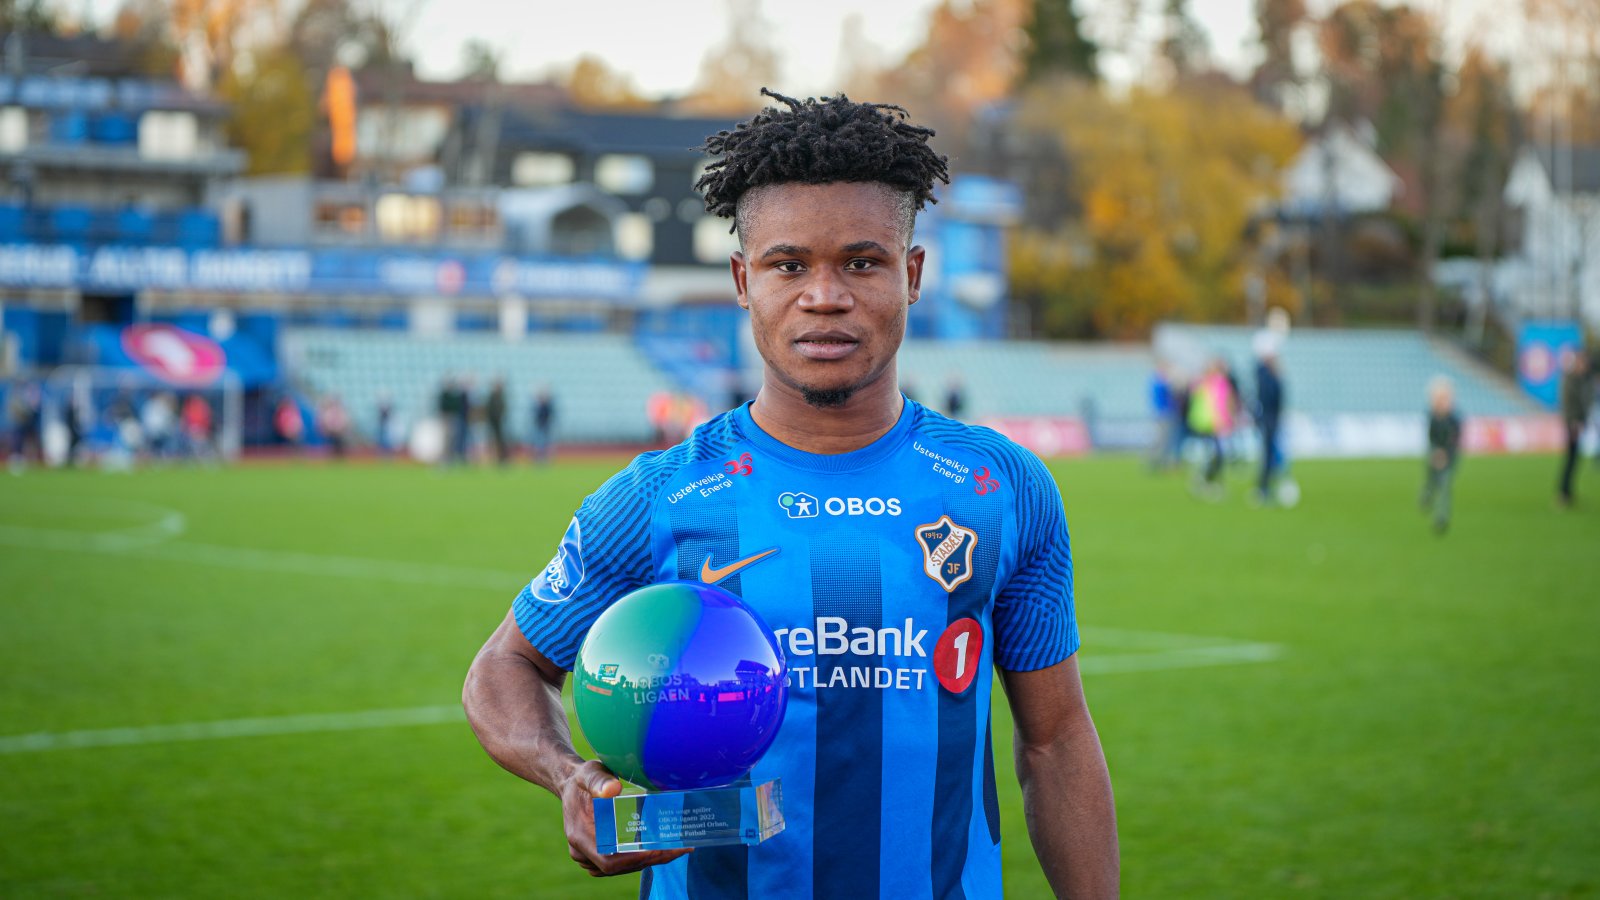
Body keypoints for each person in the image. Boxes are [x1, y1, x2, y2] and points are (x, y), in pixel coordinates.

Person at [462, 90, 1118, 900]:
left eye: (862, 262)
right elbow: (504, 667)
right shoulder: (658, 496)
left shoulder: (1002, 488)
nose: (825, 296)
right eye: (788, 265)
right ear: (744, 280)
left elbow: (1055, 741)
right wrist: (568, 774)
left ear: (912, 275)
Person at [1420, 376, 1461, 534]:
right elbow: (1431, 437)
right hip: (1435, 452)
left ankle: (1441, 516)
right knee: (1431, 479)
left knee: (1444, 484)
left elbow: (1454, 441)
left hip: (1449, 456)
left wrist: (1445, 455)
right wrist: (1436, 451)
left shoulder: (1454, 420)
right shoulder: (1432, 417)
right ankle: (1427, 496)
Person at [1557, 350, 1592, 509]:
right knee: (1571, 457)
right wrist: (1573, 422)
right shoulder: (1570, 380)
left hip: (1581, 421)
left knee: (1574, 457)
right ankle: (1564, 493)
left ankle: (1567, 492)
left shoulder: (1584, 380)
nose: (1583, 365)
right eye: (1581, 362)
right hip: (1573, 423)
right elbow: (1568, 404)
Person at [1253, 337, 1285, 505]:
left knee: (1271, 454)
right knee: (1267, 455)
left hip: (1272, 418)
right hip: (1268, 419)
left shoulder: (1268, 373)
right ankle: (1262, 488)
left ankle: (1265, 487)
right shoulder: (1264, 373)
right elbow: (1270, 396)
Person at [485, 378, 509, 466]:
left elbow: (503, 409)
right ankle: (492, 458)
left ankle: (502, 458)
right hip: (493, 422)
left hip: (499, 422)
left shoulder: (501, 396)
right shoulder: (492, 396)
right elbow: (489, 410)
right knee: (493, 441)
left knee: (500, 441)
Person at [530, 385, 555, 464]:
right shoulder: (537, 406)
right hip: (539, 426)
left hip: (545, 426)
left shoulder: (547, 406)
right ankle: (538, 458)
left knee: (545, 443)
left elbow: (550, 415)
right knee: (538, 443)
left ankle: (544, 458)